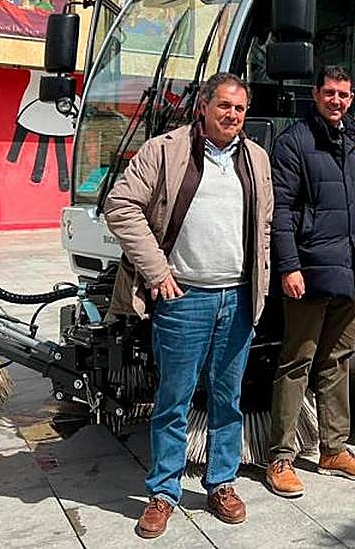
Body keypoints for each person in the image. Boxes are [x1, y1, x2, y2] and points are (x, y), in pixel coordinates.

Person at [104, 73, 274, 539]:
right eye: (224, 106)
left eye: (239, 108)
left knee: (228, 400)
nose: (232, 115)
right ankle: (163, 493)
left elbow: (264, 223)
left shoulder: (256, 158)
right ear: (203, 106)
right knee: (173, 401)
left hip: (237, 298)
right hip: (185, 300)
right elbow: (120, 206)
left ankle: (221, 484)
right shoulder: (165, 151)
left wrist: (259, 277)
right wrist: (157, 272)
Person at [265, 66, 355, 499]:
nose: (337, 101)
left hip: (350, 268)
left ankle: (334, 449)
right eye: (330, 93)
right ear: (314, 94)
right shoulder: (294, 142)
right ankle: (281, 457)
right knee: (297, 361)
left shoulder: (354, 139)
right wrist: (289, 267)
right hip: (311, 270)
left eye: (344, 95)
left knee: (338, 360)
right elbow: (281, 211)